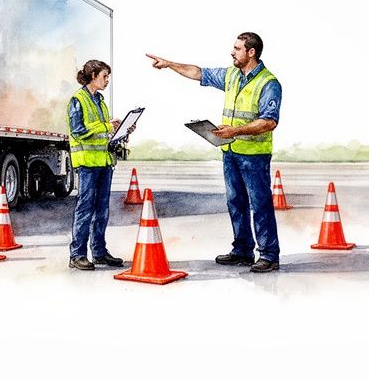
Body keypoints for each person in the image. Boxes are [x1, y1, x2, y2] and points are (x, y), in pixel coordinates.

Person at [146, 32, 282, 273]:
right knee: (236, 202)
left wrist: (235, 131)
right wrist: (169, 65)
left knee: (260, 204)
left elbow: (269, 122)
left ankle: (269, 255)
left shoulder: (268, 83)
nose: (232, 52)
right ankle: (242, 250)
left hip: (254, 156)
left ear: (251, 52)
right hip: (230, 152)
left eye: (237, 48)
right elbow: (199, 73)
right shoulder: (232, 75)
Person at [66, 60, 124, 271]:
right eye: (104, 76)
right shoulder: (77, 100)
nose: (107, 80)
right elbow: (78, 130)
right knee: (85, 209)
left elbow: (101, 132)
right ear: (93, 76)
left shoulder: (99, 100)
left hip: (104, 163)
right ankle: (77, 255)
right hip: (88, 165)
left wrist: (119, 129)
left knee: (102, 211)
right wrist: (105, 125)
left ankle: (99, 252)